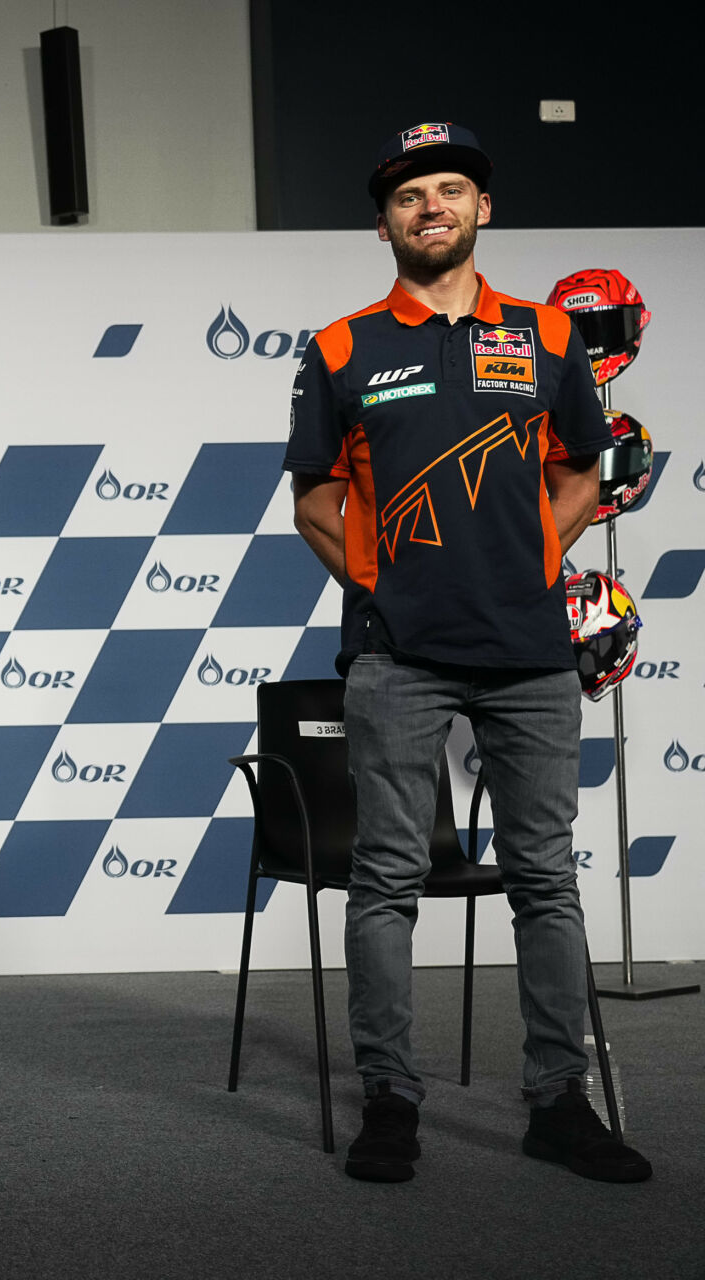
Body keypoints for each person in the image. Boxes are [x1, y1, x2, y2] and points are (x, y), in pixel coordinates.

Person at [284, 122, 651, 1184]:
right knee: (388, 878)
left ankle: (559, 1099)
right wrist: (382, 582)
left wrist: (531, 558)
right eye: (409, 195)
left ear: (482, 209)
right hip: (397, 657)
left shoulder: (545, 333)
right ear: (387, 221)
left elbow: (585, 469)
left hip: (534, 654)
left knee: (545, 877)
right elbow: (313, 495)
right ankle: (389, 1099)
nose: (430, 206)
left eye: (451, 189)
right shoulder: (343, 345)